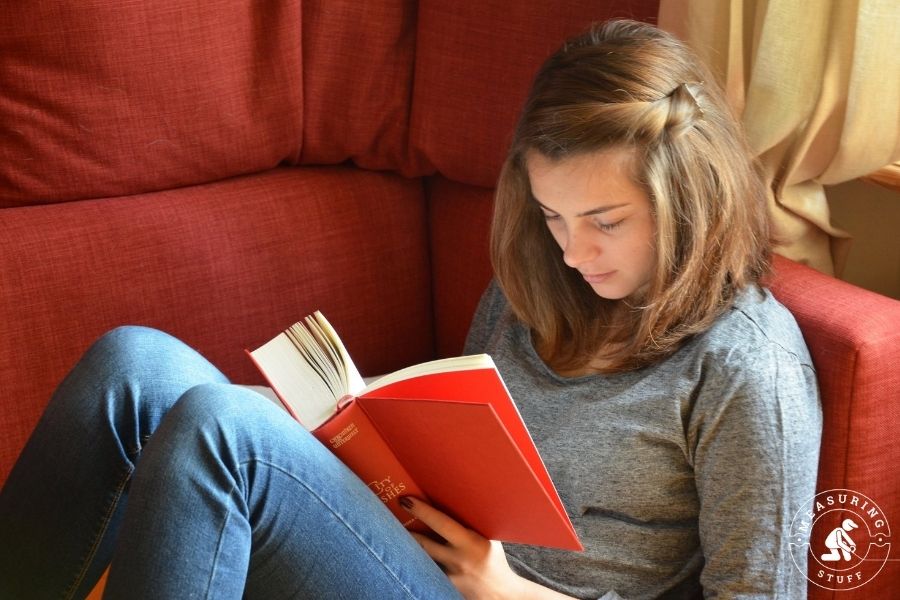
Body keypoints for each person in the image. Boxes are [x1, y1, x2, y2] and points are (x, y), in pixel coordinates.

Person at [0, 19, 821, 600]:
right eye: (552, 216)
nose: (573, 251)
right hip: (409, 561)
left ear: (688, 197)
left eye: (605, 222)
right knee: (133, 365)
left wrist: (507, 590)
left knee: (221, 431)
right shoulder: (540, 284)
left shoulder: (749, 366)